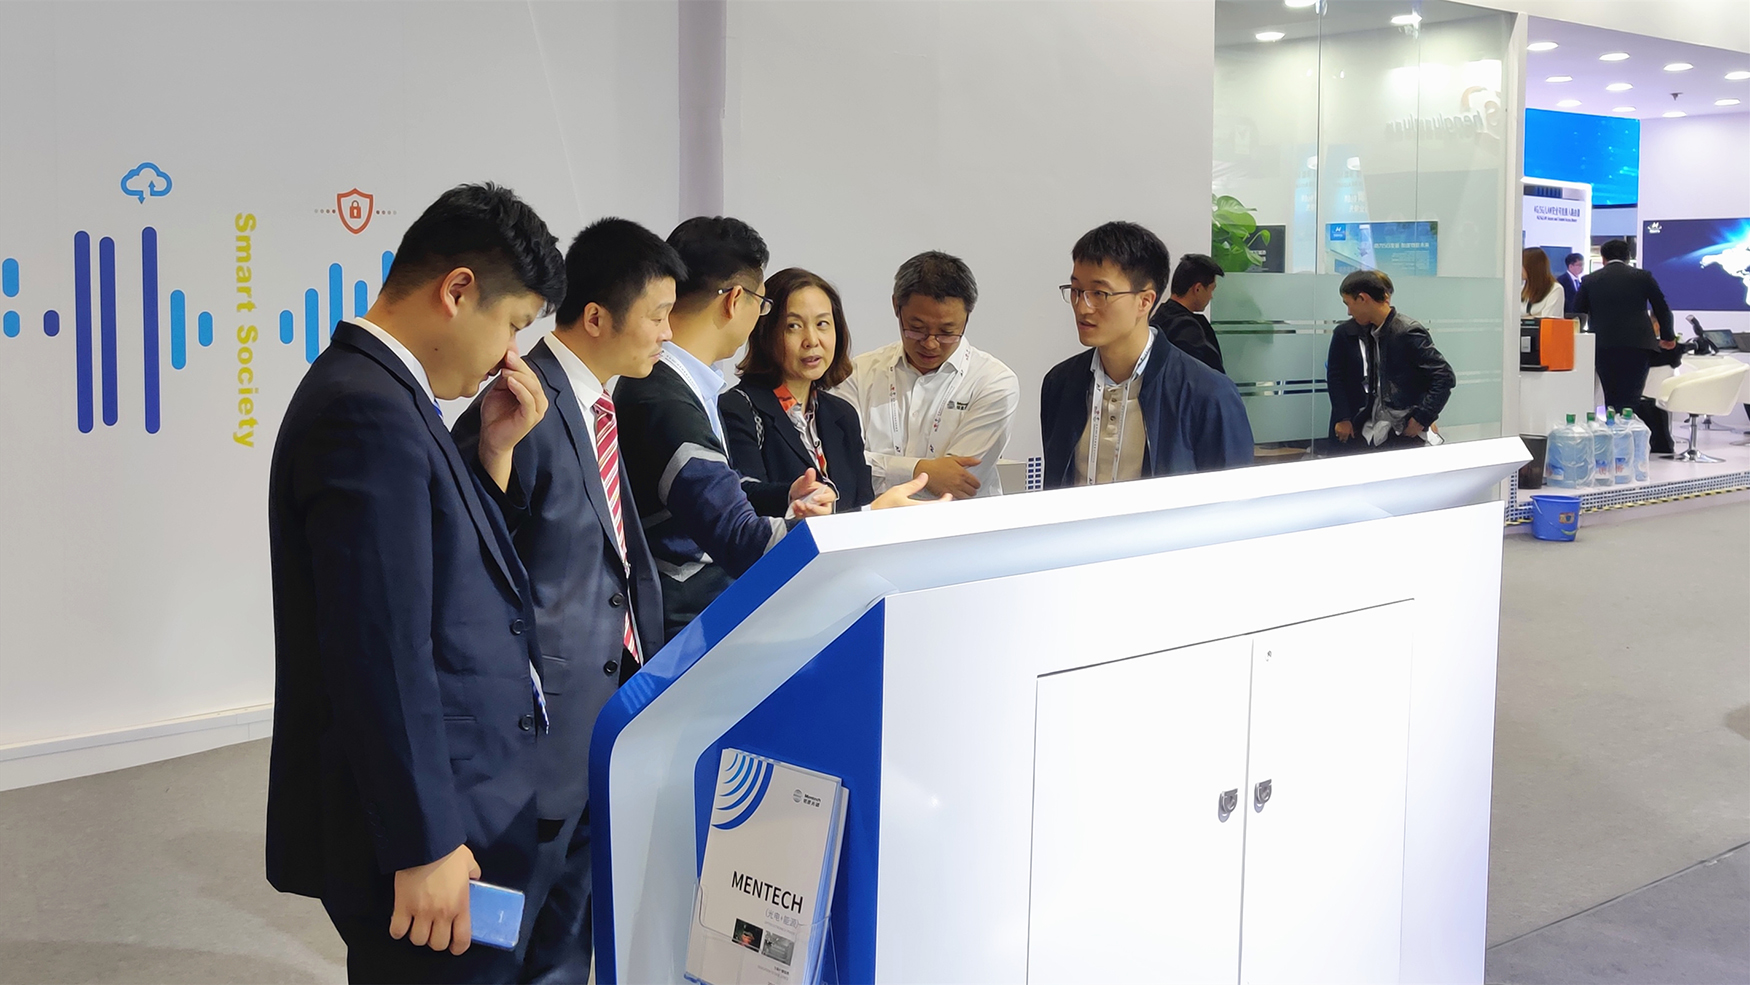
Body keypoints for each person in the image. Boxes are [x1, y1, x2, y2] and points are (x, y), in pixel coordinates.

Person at [265, 183, 565, 983]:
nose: (511, 353)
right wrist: (423, 841)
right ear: (457, 290)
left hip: (465, 800)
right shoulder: (363, 409)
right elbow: (378, 645)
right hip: (434, 830)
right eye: (512, 324)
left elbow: (438, 573)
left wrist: (492, 456)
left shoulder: (395, 397)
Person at [449, 217, 677, 984]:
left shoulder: (601, 405)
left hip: (599, 727)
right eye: (657, 314)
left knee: (565, 946)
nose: (668, 333)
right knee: (502, 948)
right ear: (598, 317)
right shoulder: (519, 404)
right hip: (534, 741)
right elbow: (470, 557)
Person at [616, 217, 934, 639]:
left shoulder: (679, 385)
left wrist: (784, 496)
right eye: (765, 305)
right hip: (689, 629)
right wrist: (870, 519)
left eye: (823, 324)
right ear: (735, 300)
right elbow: (741, 538)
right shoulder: (666, 399)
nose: (811, 339)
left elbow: (716, 491)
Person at [1040, 222, 1254, 489]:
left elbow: (1232, 501)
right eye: (1076, 291)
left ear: (1145, 301)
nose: (1083, 307)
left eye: (1099, 293)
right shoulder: (1060, 384)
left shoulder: (1208, 394)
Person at [836, 251, 1019, 499]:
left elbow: (957, 482)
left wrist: (882, 469)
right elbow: (843, 466)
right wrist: (923, 471)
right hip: (874, 519)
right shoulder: (858, 374)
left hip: (960, 522)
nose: (930, 344)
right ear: (896, 306)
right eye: (916, 329)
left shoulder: (993, 382)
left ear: (967, 315)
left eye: (947, 332)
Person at [721, 267, 876, 513]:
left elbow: (862, 502)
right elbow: (744, 498)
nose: (812, 340)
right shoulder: (738, 408)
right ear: (765, 332)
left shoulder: (842, 414)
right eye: (793, 326)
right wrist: (793, 498)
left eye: (822, 324)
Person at [1325, 269, 1456, 452]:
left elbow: (1444, 377)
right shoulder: (1372, 331)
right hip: (1378, 427)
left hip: (1402, 428)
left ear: (1362, 298)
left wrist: (1423, 417)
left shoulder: (1406, 331)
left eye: (1349, 304)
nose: (1348, 312)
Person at [1576, 238, 1676, 414]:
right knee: (1631, 397)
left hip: (1603, 344)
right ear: (1628, 257)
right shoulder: (1643, 277)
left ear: (1603, 258)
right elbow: (1661, 307)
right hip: (1638, 345)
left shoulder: (1590, 280)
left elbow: (1577, 313)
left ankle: (1613, 423)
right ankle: (1628, 425)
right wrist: (1668, 336)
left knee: (1611, 395)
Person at [1149, 252, 1227, 373]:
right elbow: (1202, 377)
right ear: (1198, 289)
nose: (1211, 296)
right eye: (1211, 290)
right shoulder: (1186, 330)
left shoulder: (1159, 318)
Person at [1523, 248, 1566, 320]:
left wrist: (1524, 318)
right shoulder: (1522, 289)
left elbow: (1547, 320)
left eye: (1521, 265)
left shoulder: (1555, 289)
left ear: (1532, 267)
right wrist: (1536, 317)